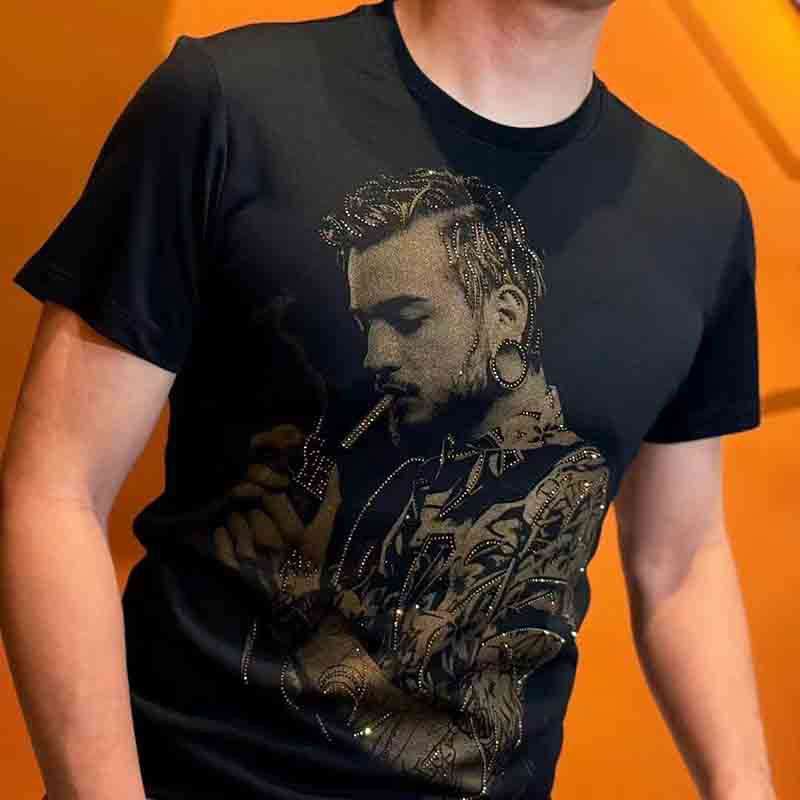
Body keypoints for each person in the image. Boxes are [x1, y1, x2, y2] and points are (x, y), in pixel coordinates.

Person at [0, 2, 775, 799]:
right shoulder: (228, 102)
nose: (378, 355)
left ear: (507, 316)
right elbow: (54, 489)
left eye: (405, 320)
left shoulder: (700, 221)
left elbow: (681, 561)